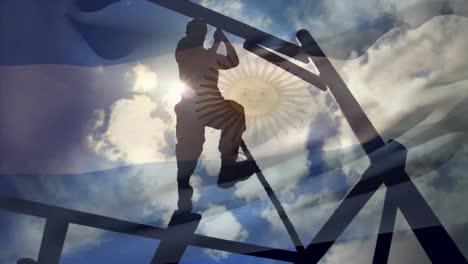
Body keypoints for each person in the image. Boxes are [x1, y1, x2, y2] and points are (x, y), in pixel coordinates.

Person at [174, 18, 258, 213]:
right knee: (190, 151)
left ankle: (228, 166)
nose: (201, 34)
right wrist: (218, 42)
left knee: (235, 112)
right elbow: (199, 59)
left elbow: (233, 61)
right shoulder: (184, 46)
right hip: (192, 106)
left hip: (208, 105)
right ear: (189, 32)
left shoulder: (208, 54)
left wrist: (224, 40)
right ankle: (184, 197)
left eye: (203, 31)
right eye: (197, 30)